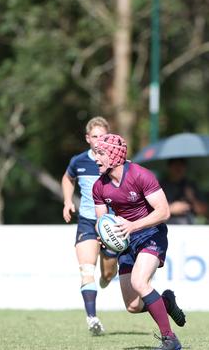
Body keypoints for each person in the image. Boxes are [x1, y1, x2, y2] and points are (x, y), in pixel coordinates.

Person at [92, 133, 185, 350]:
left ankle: (170, 340)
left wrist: (133, 225)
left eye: (101, 154)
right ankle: (166, 302)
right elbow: (101, 221)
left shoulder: (141, 175)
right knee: (133, 306)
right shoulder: (99, 187)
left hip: (151, 234)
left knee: (140, 282)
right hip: (126, 241)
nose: (96, 159)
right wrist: (103, 236)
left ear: (115, 156)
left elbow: (163, 212)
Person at [61, 116, 119, 335]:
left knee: (107, 274)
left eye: (102, 136)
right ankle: (92, 318)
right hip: (86, 221)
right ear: (88, 139)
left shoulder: (115, 162)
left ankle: (106, 278)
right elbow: (68, 179)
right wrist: (68, 201)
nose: (98, 141)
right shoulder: (79, 161)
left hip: (111, 224)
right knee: (87, 270)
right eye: (94, 137)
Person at [160, 158, 208, 224]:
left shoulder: (191, 185)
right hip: (167, 226)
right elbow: (150, 211)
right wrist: (170, 209)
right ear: (169, 167)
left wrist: (192, 198)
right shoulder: (160, 186)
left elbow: (203, 211)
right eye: (175, 165)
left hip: (189, 226)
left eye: (181, 165)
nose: (178, 168)